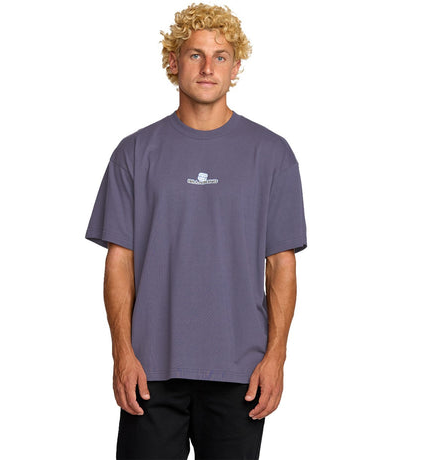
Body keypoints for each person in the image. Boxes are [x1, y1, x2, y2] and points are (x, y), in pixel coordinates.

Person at [85, 3, 307, 459]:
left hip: (240, 373)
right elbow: (119, 260)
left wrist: (276, 358)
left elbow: (281, 263)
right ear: (173, 62)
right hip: (150, 371)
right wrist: (122, 354)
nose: (208, 67)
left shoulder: (272, 154)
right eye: (195, 55)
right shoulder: (134, 152)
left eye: (220, 56)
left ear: (235, 67)